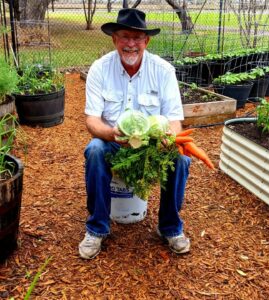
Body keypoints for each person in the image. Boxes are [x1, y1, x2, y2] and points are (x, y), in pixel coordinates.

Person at [79, 8, 191, 259]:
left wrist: (168, 138)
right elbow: (92, 121)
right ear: (114, 39)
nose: (131, 44)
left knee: (181, 158)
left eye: (137, 38)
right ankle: (97, 228)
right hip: (114, 141)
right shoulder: (99, 69)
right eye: (124, 37)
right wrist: (110, 134)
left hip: (152, 144)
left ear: (146, 41)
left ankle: (170, 227)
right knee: (94, 150)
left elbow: (174, 120)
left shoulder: (163, 71)